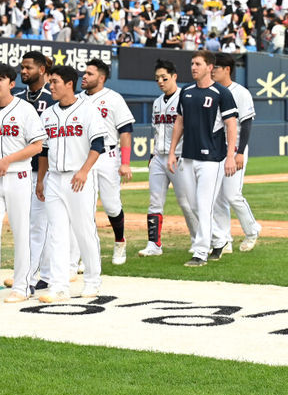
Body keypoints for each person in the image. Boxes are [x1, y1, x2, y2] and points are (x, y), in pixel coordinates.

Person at [0, 63, 46, 307]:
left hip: (18, 177)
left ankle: (22, 287)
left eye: (1, 78)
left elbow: (37, 146)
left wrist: (8, 160)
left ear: (11, 84)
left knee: (21, 232)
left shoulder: (25, 110)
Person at [35, 65, 107, 303]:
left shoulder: (88, 110)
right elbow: (43, 152)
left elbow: (98, 145)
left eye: (54, 82)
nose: (50, 86)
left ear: (69, 84)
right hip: (54, 178)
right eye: (50, 82)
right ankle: (59, 286)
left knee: (84, 230)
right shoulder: (48, 114)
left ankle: (92, 281)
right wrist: (41, 180)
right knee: (56, 232)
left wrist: (84, 171)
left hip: (79, 177)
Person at [167, 51, 239, 267]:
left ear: (210, 67)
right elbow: (179, 123)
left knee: (204, 204)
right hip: (188, 156)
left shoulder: (222, 93)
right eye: (192, 63)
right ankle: (220, 240)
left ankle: (200, 253)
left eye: (198, 63)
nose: (193, 67)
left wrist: (230, 157)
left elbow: (231, 125)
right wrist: (172, 152)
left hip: (212, 158)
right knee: (194, 205)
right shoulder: (186, 91)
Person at [139, 60, 200, 256]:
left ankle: (198, 240)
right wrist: (152, 154)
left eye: (164, 78)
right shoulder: (157, 102)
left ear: (174, 76)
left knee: (187, 202)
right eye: (157, 78)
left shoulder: (187, 97)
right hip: (159, 157)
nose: (160, 81)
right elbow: (156, 131)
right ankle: (154, 245)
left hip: (181, 157)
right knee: (154, 201)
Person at [77, 58, 134, 265]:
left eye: (90, 73)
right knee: (84, 207)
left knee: (111, 206)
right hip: (84, 157)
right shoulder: (77, 99)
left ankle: (120, 241)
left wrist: (125, 162)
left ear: (101, 78)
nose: (84, 76)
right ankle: (87, 252)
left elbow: (125, 131)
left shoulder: (114, 98)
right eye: (84, 72)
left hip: (108, 156)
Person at [210, 53, 260, 254]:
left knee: (232, 194)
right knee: (219, 197)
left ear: (227, 69)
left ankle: (252, 231)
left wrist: (239, 152)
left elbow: (246, 124)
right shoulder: (212, 91)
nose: (212, 71)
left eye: (216, 68)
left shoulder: (241, 92)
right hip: (217, 150)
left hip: (236, 148)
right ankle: (225, 239)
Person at [15, 50, 56, 291]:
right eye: (22, 67)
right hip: (21, 169)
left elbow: (48, 144)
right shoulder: (18, 99)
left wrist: (42, 177)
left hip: (47, 170)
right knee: (34, 224)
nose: (23, 71)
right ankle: (42, 275)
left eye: (28, 67)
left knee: (41, 224)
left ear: (42, 69)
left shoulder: (52, 97)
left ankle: (32, 277)